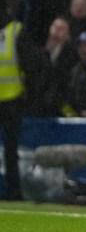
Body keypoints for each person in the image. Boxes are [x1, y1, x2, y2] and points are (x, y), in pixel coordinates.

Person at [0, 15, 30, 200]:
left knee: (11, 150)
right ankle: (13, 192)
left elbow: (29, 64)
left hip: (12, 99)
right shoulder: (15, 31)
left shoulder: (15, 31)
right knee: (11, 150)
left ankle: (14, 191)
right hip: (12, 98)